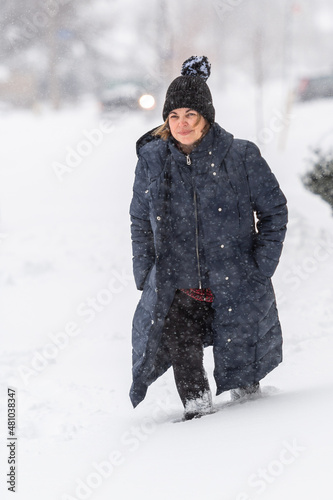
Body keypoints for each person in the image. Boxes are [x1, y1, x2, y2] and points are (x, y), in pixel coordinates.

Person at [129, 55, 288, 420]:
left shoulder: (241, 156)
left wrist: (260, 266)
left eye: (190, 115)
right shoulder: (153, 160)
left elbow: (274, 211)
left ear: (206, 117)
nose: (182, 124)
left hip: (235, 282)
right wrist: (145, 270)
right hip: (178, 286)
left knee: (245, 376)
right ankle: (197, 417)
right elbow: (139, 218)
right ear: (166, 121)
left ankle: (251, 421)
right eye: (174, 117)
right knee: (183, 353)